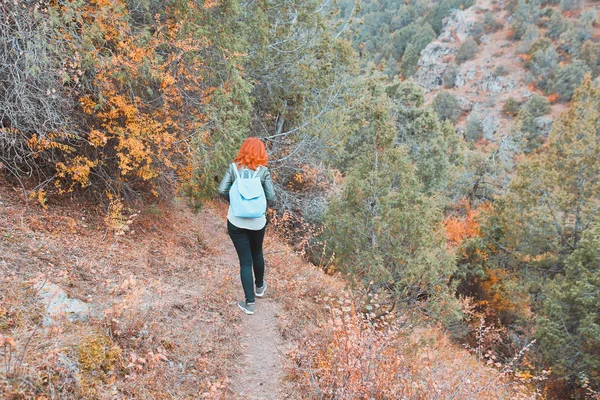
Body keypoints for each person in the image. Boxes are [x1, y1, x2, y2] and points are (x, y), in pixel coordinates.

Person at [218, 137, 275, 315]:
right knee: (257, 252)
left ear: (243, 150)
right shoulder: (263, 171)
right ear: (261, 153)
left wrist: (235, 203)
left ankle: (249, 304)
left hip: (236, 221)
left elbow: (221, 190)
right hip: (257, 221)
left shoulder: (233, 168)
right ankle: (259, 287)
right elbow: (271, 197)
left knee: (245, 261)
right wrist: (259, 206)